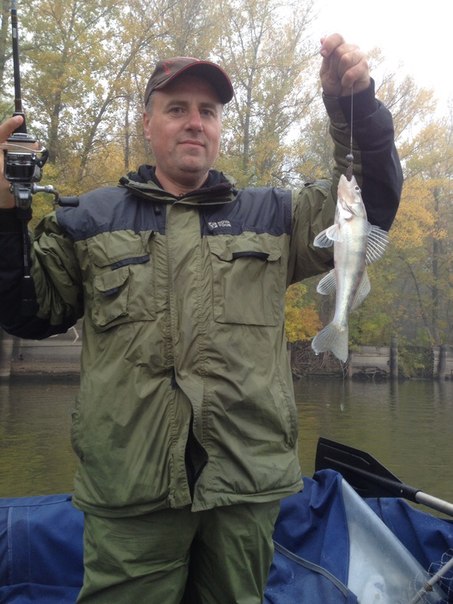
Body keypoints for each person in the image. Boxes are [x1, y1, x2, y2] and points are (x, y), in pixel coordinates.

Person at [0, 33, 403, 603]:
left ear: (218, 128)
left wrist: (352, 107)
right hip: (129, 497)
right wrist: (4, 215)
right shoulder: (88, 219)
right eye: (177, 109)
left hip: (245, 491)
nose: (195, 122)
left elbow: (372, 204)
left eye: (207, 111)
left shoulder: (276, 216)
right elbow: (26, 310)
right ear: (147, 123)